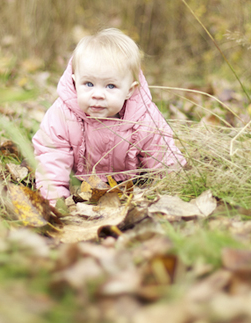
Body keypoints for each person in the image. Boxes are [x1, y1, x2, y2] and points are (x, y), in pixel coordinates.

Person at [33, 28, 185, 205]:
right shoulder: (62, 114)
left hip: (131, 186)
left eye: (110, 86)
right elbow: (51, 157)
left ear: (130, 90)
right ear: (75, 83)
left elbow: (162, 157)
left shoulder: (144, 117)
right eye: (88, 84)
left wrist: (172, 189)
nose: (98, 94)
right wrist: (54, 200)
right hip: (79, 186)